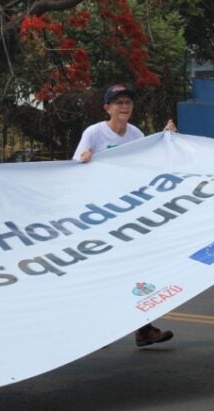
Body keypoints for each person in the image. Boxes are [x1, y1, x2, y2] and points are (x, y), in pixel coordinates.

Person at [73, 84, 176, 347]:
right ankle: (93, 329)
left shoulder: (136, 134)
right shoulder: (94, 133)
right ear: (107, 108)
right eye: (118, 102)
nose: (124, 106)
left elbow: (150, 162)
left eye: (128, 101)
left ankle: (143, 329)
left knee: (137, 271)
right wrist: (84, 159)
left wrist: (167, 139)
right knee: (105, 274)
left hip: (129, 214)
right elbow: (75, 168)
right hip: (100, 216)